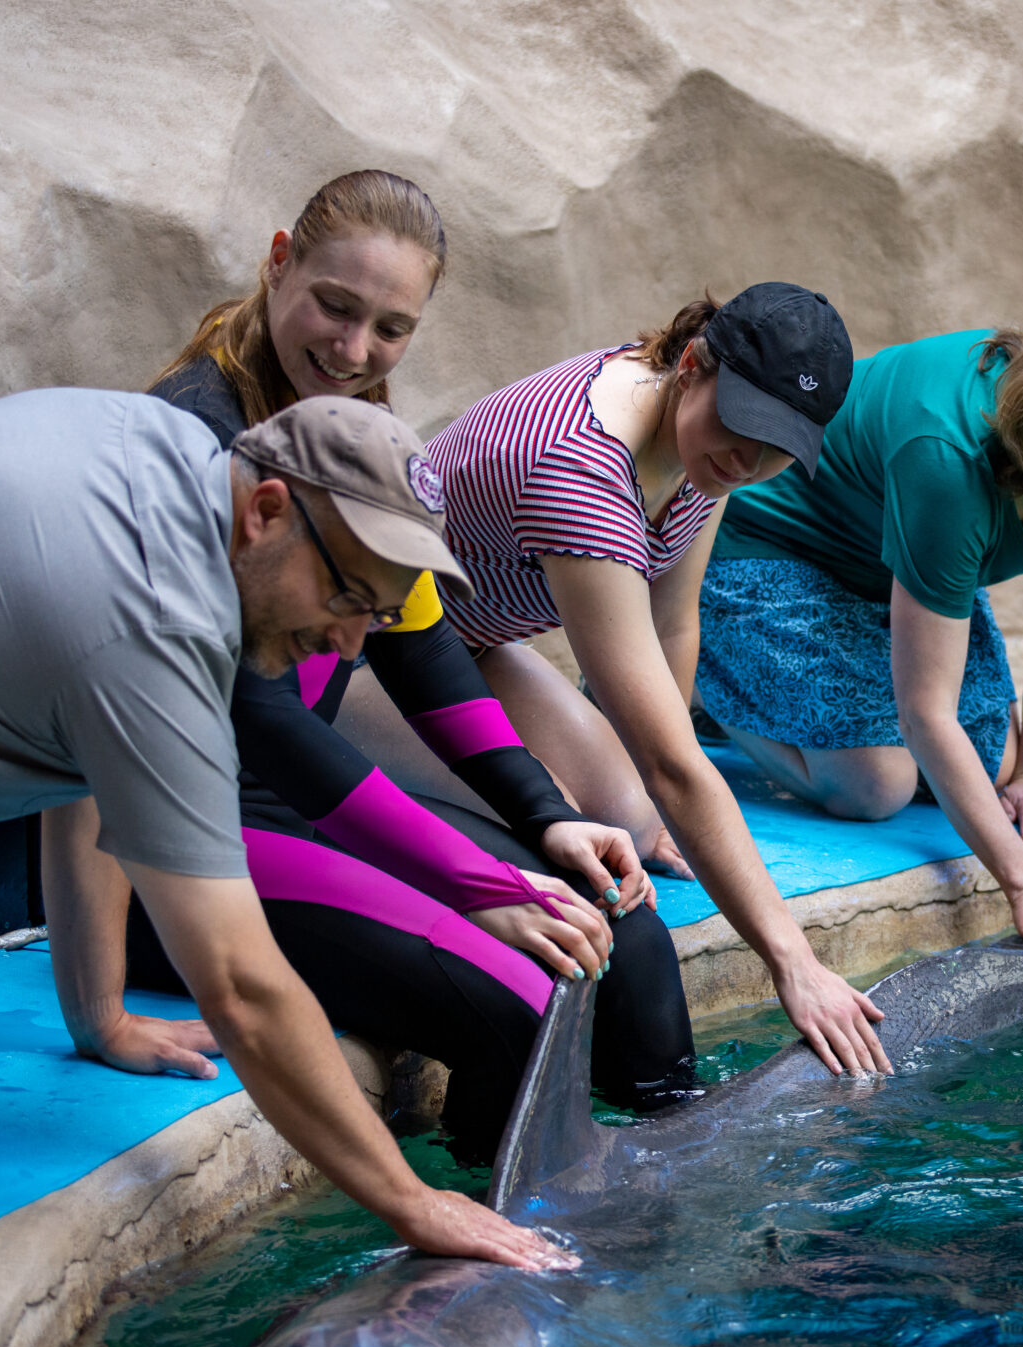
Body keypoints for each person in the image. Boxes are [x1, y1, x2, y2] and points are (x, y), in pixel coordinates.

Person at [0, 387, 566, 1272]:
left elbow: (83, 763)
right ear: (266, 511)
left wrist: (97, 1015)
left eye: (375, 612)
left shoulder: (174, 462)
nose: (348, 642)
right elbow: (241, 985)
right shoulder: (155, 615)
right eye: (346, 595)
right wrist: (409, 1200)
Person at [109, 171, 697, 1155]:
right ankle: (508, 1267)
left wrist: (547, 823)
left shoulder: (358, 419)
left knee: (619, 923)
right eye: (335, 309)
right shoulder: (193, 446)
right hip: (188, 832)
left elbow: (427, 658)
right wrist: (477, 882)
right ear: (278, 259)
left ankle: (679, 1194)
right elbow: (261, 717)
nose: (352, 350)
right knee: (525, 998)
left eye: (389, 328)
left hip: (302, 803)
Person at [427, 282, 889, 1078]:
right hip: (362, 658)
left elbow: (674, 624)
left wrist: (661, 798)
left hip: (467, 643)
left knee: (633, 823)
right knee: (569, 850)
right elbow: (677, 763)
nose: (748, 461)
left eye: (776, 446)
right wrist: (794, 961)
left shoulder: (697, 453)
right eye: (741, 426)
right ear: (692, 363)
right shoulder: (581, 468)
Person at [696, 296, 1023, 970]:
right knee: (876, 783)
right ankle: (705, 677)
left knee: (995, 769)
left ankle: (760, 692)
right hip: (769, 549)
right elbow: (924, 712)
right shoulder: (950, 450)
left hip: (897, 574)